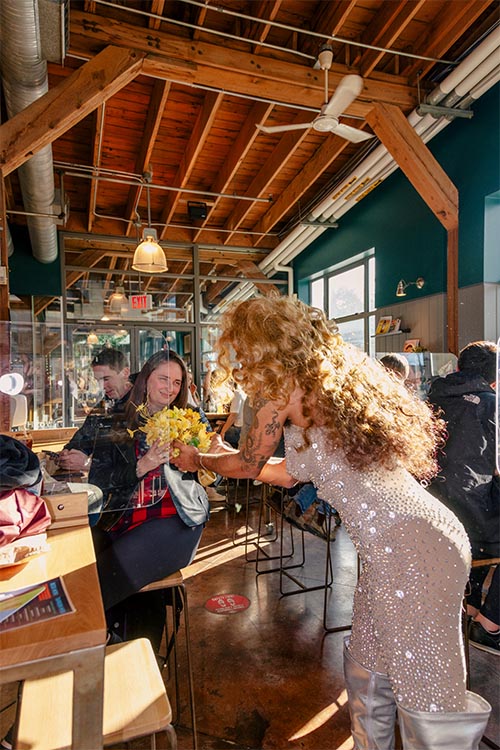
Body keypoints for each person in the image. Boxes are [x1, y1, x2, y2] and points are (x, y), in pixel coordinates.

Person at [171, 293, 491, 750]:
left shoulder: (280, 394)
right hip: (407, 545)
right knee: (368, 670)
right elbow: (288, 472)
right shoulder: (329, 383)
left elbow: (247, 464)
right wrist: (215, 456)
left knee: (429, 698)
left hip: (412, 551)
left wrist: (199, 456)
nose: (242, 361)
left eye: (243, 350)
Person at [91, 349, 210, 649]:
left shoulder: (191, 417)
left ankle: (113, 647)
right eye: (163, 379)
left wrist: (198, 461)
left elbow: (217, 474)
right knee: (81, 564)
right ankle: (116, 645)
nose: (170, 388)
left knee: (95, 587)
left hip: (176, 523)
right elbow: (99, 481)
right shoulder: (118, 418)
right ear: (145, 380)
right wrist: (141, 467)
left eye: (178, 382)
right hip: (122, 519)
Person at [428, 340, 499, 655]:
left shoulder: (430, 396)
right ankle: (490, 624)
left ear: (458, 368)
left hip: (430, 512)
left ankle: (469, 605)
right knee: (485, 515)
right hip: (467, 518)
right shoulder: (490, 404)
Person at [58, 348, 133, 474]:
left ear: (125, 373)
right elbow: (83, 438)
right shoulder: (105, 405)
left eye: (106, 379)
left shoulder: (142, 405)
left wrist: (88, 464)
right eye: (98, 380)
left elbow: (133, 466)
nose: (101, 386)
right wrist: (67, 454)